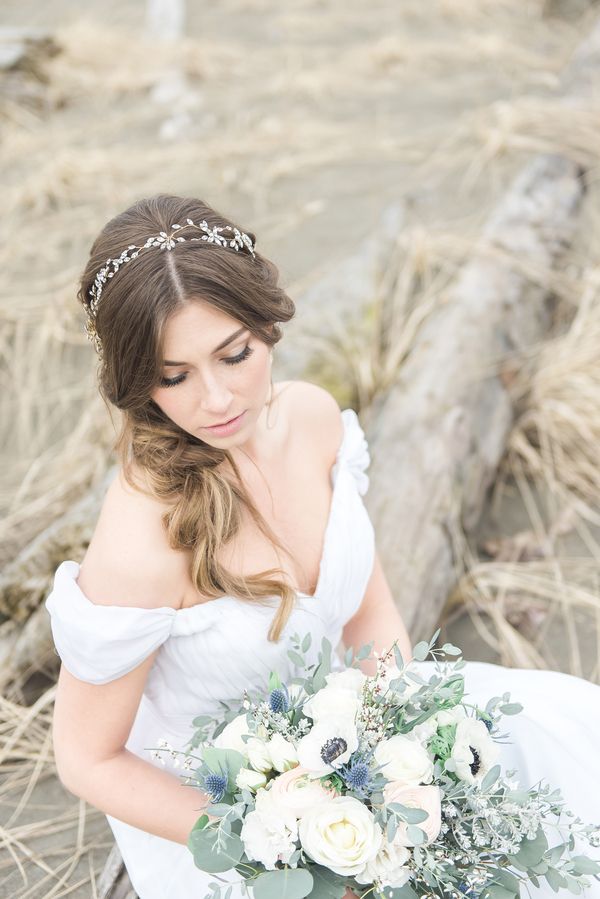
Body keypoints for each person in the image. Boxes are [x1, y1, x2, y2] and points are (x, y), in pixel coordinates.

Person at [45, 194, 599, 899]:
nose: (217, 399)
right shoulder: (142, 538)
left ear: (267, 322)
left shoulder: (309, 419)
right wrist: (277, 840)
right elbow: (87, 758)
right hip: (232, 830)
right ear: (136, 381)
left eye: (234, 354)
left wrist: (406, 749)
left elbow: (368, 615)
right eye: (173, 375)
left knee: (567, 765)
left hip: (361, 743)